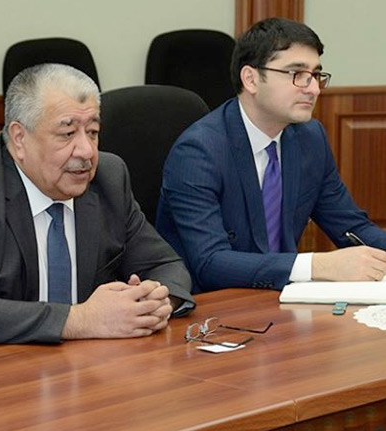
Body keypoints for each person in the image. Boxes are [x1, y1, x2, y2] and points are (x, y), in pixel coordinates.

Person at [0, 63, 194, 350]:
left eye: (93, 132)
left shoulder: (109, 178)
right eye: (67, 133)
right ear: (19, 139)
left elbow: (167, 266)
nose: (86, 151)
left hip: (70, 361)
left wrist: (153, 302)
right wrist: (82, 319)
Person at [156, 18, 386, 293]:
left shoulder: (310, 138)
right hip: (213, 305)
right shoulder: (198, 152)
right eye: (297, 74)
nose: (313, 88)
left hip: (282, 299)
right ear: (251, 79)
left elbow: (351, 226)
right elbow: (210, 263)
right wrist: (317, 266)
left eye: (315, 75)